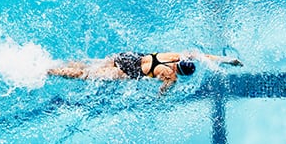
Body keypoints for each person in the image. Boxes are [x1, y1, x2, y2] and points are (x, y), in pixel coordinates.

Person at [47, 51, 242, 94]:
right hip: (128, 71)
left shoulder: (176, 55)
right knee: (86, 76)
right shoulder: (171, 76)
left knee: (88, 66)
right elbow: (162, 92)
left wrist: (228, 60)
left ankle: (55, 63)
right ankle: (50, 71)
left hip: (128, 57)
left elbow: (204, 56)